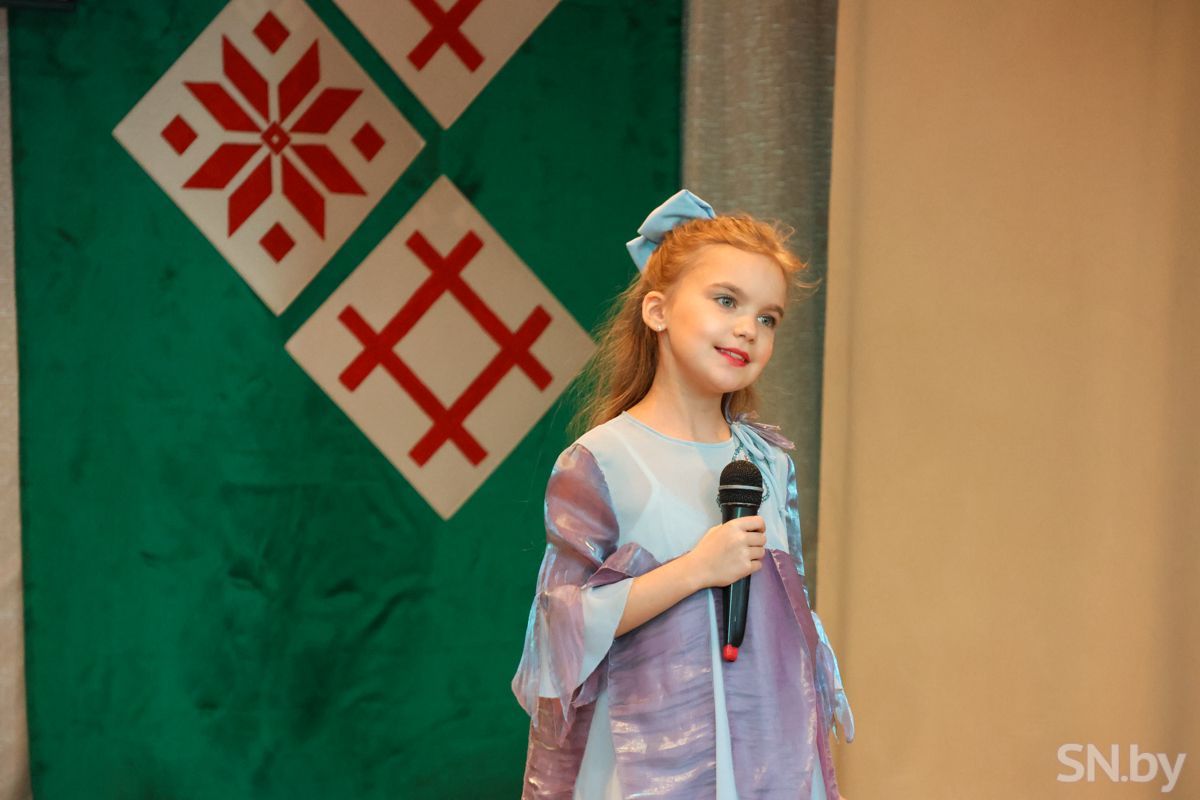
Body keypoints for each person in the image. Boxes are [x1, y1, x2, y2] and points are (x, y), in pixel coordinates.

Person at [511, 190, 855, 799]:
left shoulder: (767, 463)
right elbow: (560, 628)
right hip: (644, 756)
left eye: (768, 318)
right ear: (658, 310)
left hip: (765, 753)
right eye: (726, 301)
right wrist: (695, 570)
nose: (748, 328)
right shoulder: (604, 459)